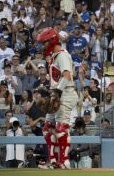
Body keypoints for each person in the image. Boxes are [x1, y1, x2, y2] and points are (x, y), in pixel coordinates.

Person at [37, 27, 77, 169]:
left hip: (65, 94)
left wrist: (58, 92)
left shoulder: (62, 55)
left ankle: (64, 162)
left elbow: (67, 75)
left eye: (44, 42)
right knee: (48, 128)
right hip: (57, 94)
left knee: (61, 129)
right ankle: (53, 161)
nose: (43, 46)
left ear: (52, 40)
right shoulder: (54, 57)